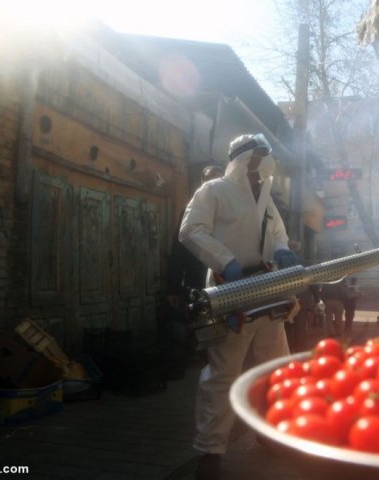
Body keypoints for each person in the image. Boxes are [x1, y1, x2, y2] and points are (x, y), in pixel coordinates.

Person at [178, 133, 298, 480]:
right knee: (222, 375)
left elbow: (277, 232)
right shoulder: (213, 191)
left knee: (274, 369)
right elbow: (190, 230)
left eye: (265, 160)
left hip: (267, 290)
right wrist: (225, 260)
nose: (260, 167)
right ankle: (210, 451)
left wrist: (282, 250)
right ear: (241, 160)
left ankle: (269, 430)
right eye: (255, 160)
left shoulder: (265, 197)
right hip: (229, 292)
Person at [160, 165, 223, 376]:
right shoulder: (191, 210)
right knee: (200, 321)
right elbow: (179, 249)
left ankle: (214, 358)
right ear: (202, 183)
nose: (212, 185)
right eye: (208, 180)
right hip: (197, 279)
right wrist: (172, 286)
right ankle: (203, 358)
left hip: (224, 279)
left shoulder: (227, 210)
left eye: (217, 180)